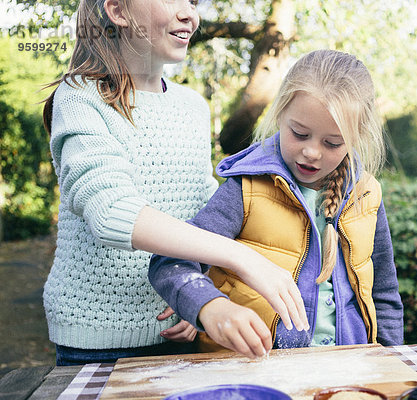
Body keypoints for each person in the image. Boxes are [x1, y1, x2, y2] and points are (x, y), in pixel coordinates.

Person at [42, 0, 308, 365]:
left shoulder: (193, 106)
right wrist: (243, 258)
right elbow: (111, 212)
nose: (190, 14)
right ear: (118, 11)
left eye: (194, 2)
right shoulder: (79, 97)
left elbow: (204, 215)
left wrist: (198, 297)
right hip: (99, 344)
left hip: (185, 331)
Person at [149, 49, 404, 351]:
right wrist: (205, 305)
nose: (312, 152)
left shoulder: (366, 194)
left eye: (332, 143)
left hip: (348, 369)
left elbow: (384, 294)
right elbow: (171, 262)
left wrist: (392, 360)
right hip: (254, 369)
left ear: (357, 137)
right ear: (281, 114)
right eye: (299, 133)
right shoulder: (246, 187)